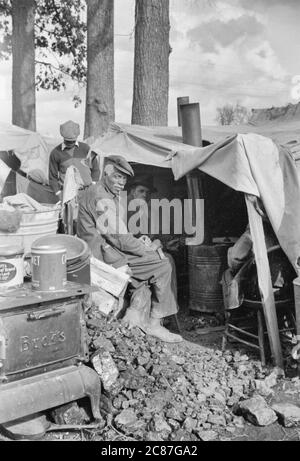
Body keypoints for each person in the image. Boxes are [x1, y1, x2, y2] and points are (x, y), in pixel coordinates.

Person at [77, 155, 183, 343]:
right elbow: (119, 239)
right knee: (163, 264)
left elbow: (118, 233)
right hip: (102, 255)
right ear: (107, 172)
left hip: (108, 248)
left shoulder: (105, 193)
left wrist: (138, 241)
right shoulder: (101, 196)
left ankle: (136, 315)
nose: (121, 182)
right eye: (117, 177)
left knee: (156, 262)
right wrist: (146, 249)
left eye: (124, 178)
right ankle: (155, 324)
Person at [48, 120, 100, 202]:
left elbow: (95, 169)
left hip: (87, 192)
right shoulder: (55, 153)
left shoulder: (86, 149)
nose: (70, 143)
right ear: (63, 138)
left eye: (72, 141)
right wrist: (58, 193)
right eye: (68, 141)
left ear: (76, 137)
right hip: (67, 194)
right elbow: (52, 177)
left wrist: (93, 185)